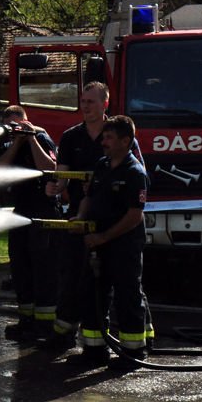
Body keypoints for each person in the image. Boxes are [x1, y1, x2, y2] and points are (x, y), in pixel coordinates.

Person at [70, 115, 152, 368]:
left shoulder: (134, 173)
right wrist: (81, 217)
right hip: (98, 242)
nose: (103, 141)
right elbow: (89, 197)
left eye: (109, 138)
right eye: (103, 136)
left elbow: (134, 216)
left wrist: (103, 237)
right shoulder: (102, 165)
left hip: (123, 244)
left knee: (127, 295)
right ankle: (94, 351)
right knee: (94, 294)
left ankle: (133, 353)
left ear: (125, 141)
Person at [43, 81, 108, 348]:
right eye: (83, 101)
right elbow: (62, 175)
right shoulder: (71, 137)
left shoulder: (117, 134)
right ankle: (64, 333)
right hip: (77, 220)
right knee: (70, 274)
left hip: (109, 219)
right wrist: (54, 187)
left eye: (91, 101)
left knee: (108, 280)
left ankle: (104, 335)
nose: (85, 106)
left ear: (105, 103)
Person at [0, 105, 61, 342]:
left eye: (18, 124)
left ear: (26, 121)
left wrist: (31, 138)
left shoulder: (42, 138)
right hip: (21, 211)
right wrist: (16, 142)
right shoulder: (10, 144)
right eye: (11, 127)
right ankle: (26, 321)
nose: (15, 130)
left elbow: (51, 168)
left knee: (43, 268)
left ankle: (45, 326)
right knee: (20, 267)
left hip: (44, 211)